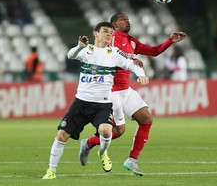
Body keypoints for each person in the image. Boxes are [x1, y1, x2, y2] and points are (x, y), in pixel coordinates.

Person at [79, 12, 187, 176]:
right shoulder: (113, 37)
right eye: (123, 19)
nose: (127, 21)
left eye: (128, 19)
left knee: (146, 119)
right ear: (115, 24)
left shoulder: (131, 41)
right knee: (118, 131)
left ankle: (132, 160)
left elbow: (153, 51)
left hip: (126, 90)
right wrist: (130, 61)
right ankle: (88, 143)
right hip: (111, 91)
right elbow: (107, 56)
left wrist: (169, 41)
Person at [42, 22, 149, 180]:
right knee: (62, 135)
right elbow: (70, 55)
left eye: (111, 33)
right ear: (96, 33)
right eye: (105, 31)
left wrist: (141, 73)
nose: (109, 34)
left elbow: (130, 64)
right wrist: (79, 46)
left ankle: (102, 152)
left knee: (106, 131)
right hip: (81, 102)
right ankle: (51, 171)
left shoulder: (114, 53)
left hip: (102, 104)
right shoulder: (86, 50)